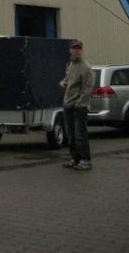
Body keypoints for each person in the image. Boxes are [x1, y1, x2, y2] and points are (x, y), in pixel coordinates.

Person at [59, 39, 94, 171]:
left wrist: (79, 104)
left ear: (82, 50)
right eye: (74, 48)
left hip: (79, 107)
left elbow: (88, 89)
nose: (77, 50)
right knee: (71, 135)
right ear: (70, 50)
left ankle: (86, 161)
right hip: (67, 105)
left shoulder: (86, 67)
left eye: (79, 48)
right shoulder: (70, 65)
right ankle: (75, 159)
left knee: (80, 135)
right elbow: (67, 80)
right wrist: (62, 82)